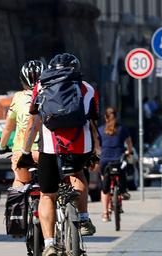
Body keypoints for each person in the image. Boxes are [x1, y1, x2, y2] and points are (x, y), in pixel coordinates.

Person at [21, 53, 101, 255]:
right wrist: (95, 152)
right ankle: (83, 218)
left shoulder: (41, 86)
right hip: (79, 146)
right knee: (77, 174)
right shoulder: (88, 89)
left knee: (47, 194)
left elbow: (33, 123)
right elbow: (92, 123)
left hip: (49, 147)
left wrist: (25, 151)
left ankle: (49, 244)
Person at [0, 60, 44, 189]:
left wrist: (1, 146)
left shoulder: (17, 98)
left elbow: (8, 128)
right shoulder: (49, 96)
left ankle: (17, 207)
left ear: (22, 80)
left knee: (20, 182)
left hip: (22, 151)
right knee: (52, 187)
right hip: (44, 152)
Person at [97, 107, 134, 223]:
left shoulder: (100, 129)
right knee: (123, 172)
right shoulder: (122, 129)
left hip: (105, 161)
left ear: (105, 117)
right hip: (118, 160)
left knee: (105, 186)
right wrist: (129, 152)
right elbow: (129, 144)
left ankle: (105, 213)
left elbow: (97, 147)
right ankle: (123, 192)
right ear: (116, 116)